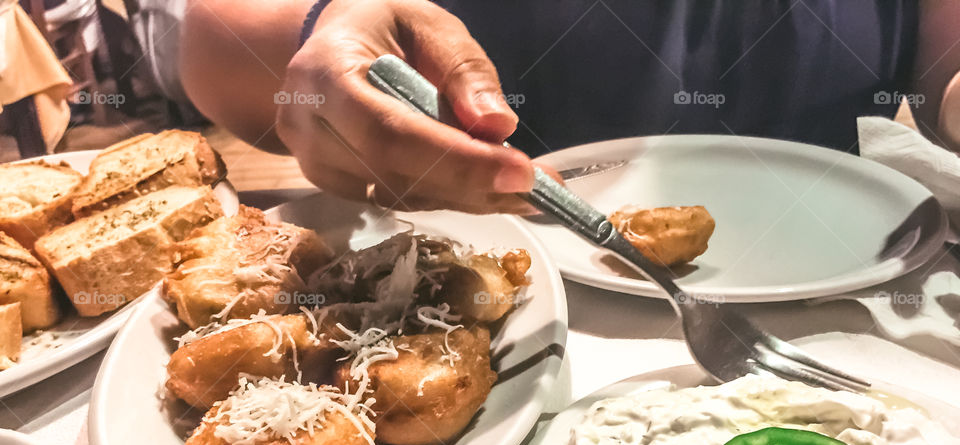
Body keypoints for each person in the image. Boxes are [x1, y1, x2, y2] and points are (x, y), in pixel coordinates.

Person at [180, 0, 960, 214]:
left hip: (851, 330)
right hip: (500, 334)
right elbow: (218, 33)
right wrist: (325, 41)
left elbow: (942, 68)